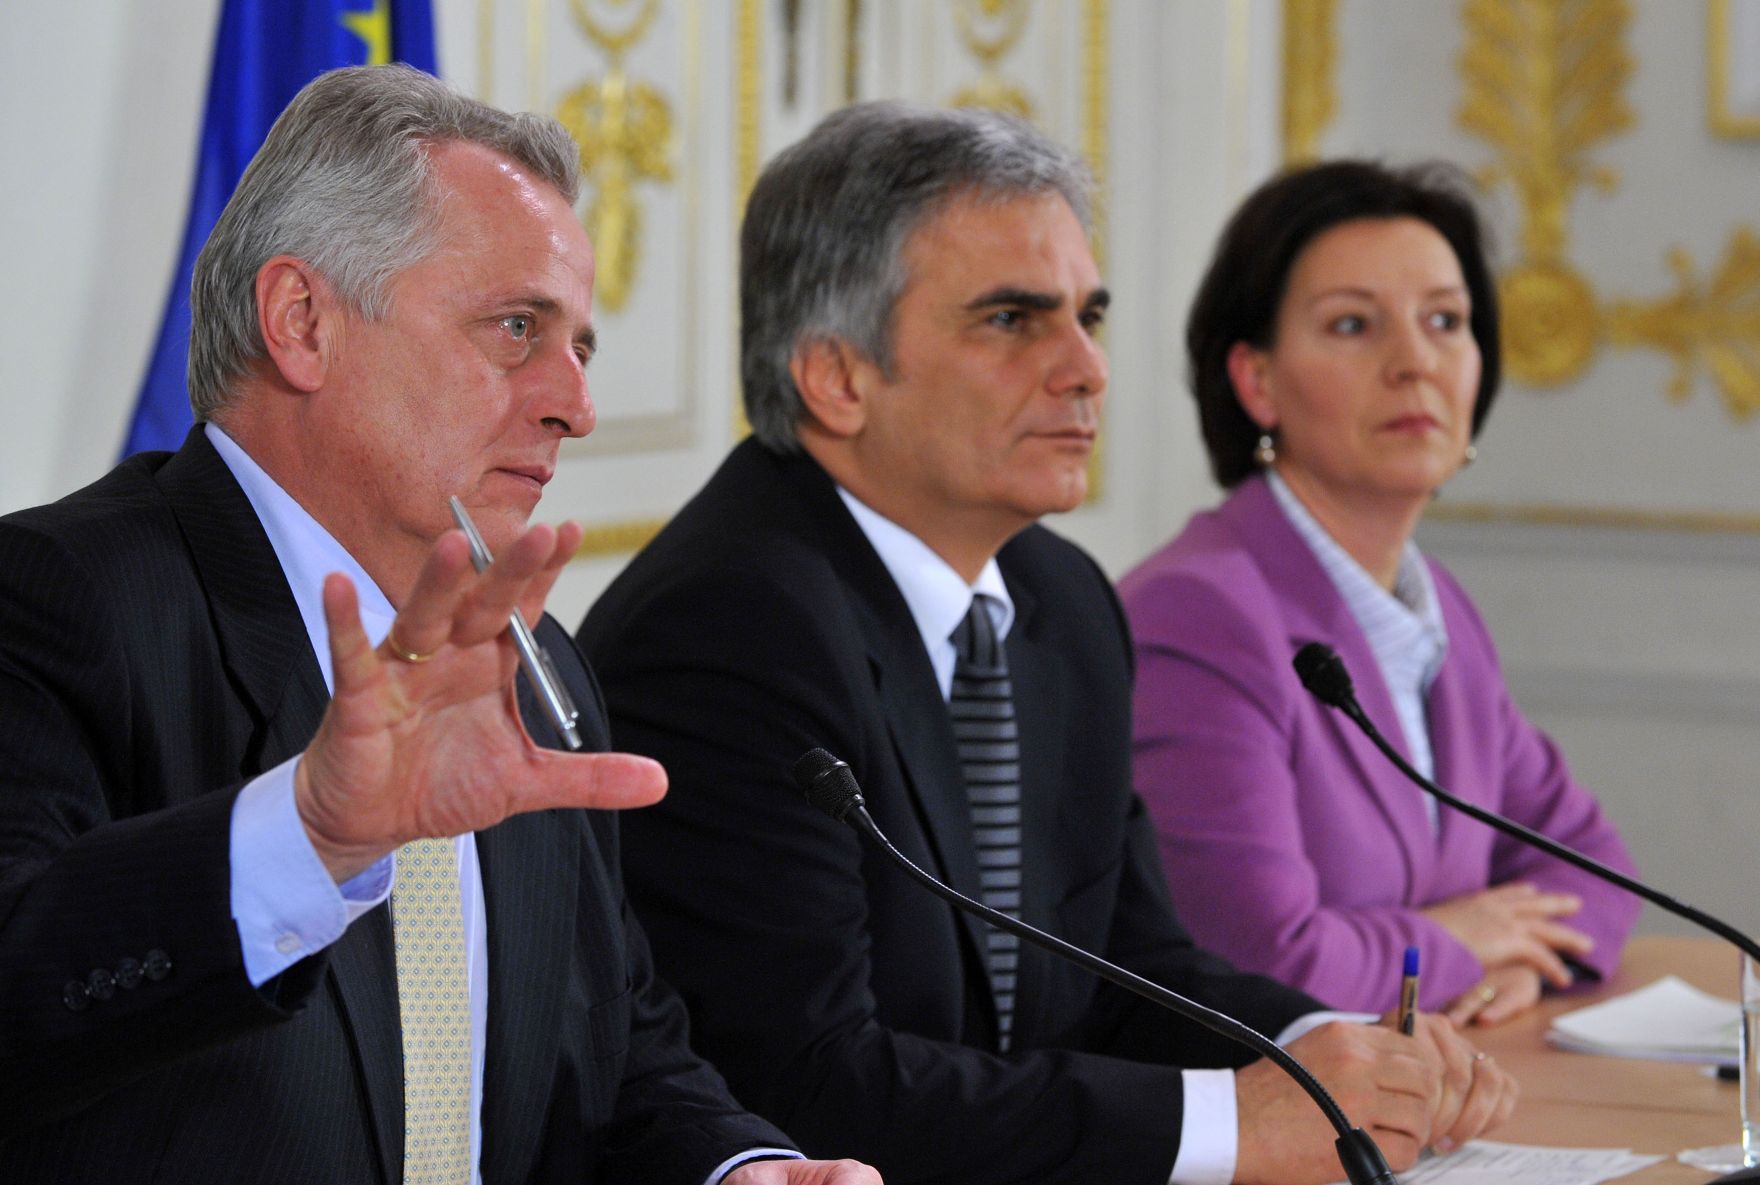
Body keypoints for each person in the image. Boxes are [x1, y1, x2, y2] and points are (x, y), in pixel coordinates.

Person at [577, 104, 1516, 1185]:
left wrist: (1328, 1054)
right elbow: (802, 1086)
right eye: (1013, 320)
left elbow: (1128, 969)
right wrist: (1230, 1124)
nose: (1085, 369)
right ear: (836, 378)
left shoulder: (1057, 598)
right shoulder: (730, 628)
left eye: (1088, 315)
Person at [0, 65, 878, 1185]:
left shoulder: (528, 658)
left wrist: (737, 1167)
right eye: (517, 328)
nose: (576, 404)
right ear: (303, 323)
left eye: (580, 347)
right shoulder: (53, 599)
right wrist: (311, 834)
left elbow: (614, 1052)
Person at [1119, 159, 1640, 1024]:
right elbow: (1259, 960)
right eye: (1354, 324)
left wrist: (1516, 968)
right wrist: (1460, 946)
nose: (1415, 362)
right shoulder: (1197, 615)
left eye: (1446, 320)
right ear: (1256, 380)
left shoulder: (1433, 610)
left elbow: (1594, 865)